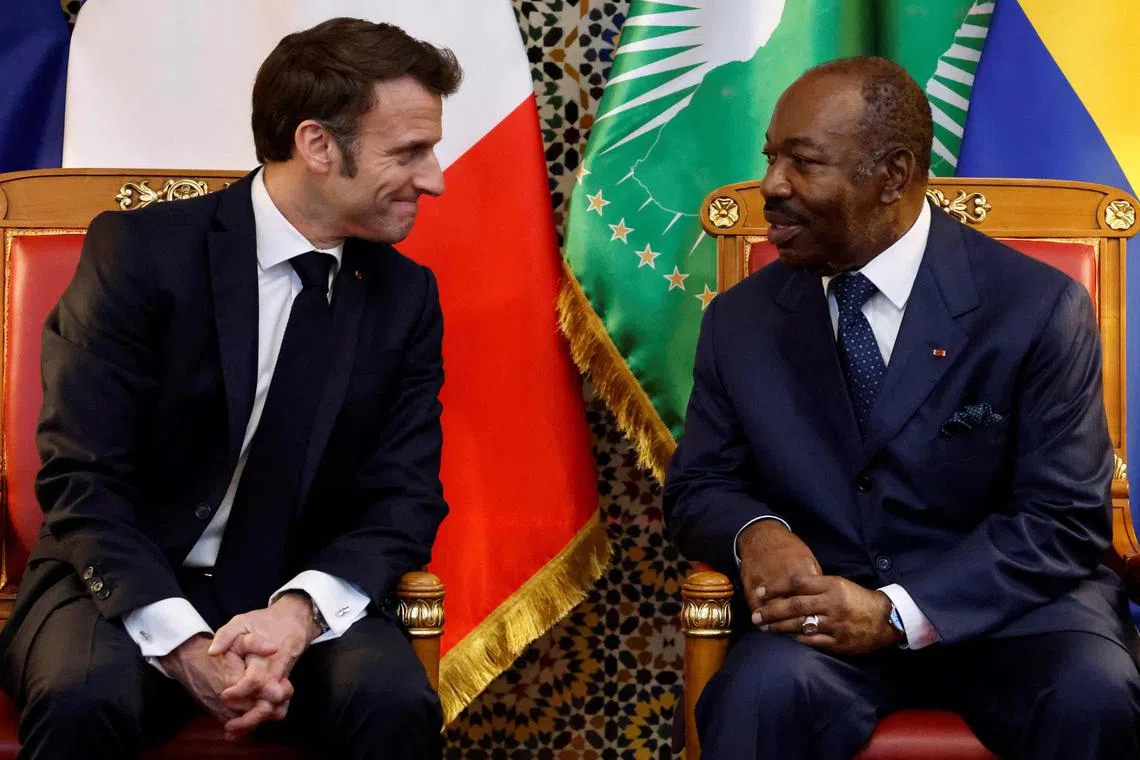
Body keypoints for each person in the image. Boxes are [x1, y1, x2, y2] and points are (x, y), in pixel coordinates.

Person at [0, 17, 461, 759]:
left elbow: (402, 495)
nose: (435, 178)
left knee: (393, 702)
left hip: (295, 592)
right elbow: (83, 476)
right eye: (408, 152)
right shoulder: (141, 255)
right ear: (316, 145)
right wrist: (183, 641)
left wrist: (297, 616)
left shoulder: (405, 297)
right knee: (84, 697)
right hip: (119, 584)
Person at [664, 56, 1140, 760]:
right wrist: (754, 530)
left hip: (1017, 619)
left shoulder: (1035, 306)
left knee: (1092, 692)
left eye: (804, 162)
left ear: (893, 175)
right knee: (756, 696)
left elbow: (1061, 521)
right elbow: (701, 485)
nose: (772, 186)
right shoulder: (742, 321)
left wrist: (895, 611)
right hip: (824, 625)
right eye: (771, 158)